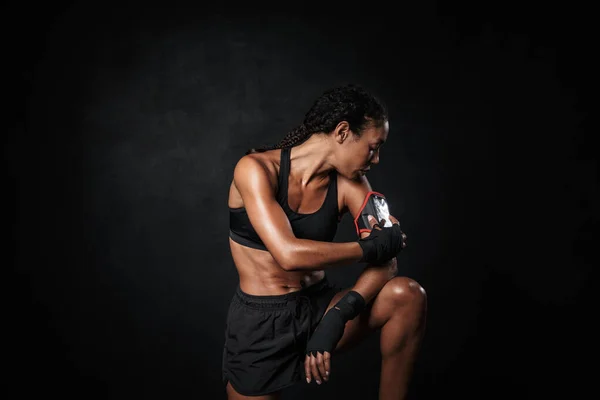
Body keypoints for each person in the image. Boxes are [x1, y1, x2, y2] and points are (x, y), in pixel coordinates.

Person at [223, 84, 427, 400]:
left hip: (320, 308)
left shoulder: (353, 183)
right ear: (343, 132)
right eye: (373, 147)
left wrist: (339, 316)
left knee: (408, 295)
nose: (376, 159)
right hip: (262, 323)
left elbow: (389, 257)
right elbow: (288, 254)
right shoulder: (255, 169)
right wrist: (368, 248)